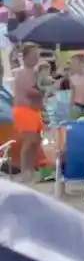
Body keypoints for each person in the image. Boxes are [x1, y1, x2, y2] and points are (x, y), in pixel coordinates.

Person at [12, 44, 46, 183]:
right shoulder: (21, 72)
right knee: (29, 141)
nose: (36, 58)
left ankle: (31, 169)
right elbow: (31, 91)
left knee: (36, 141)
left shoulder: (35, 72)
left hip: (34, 110)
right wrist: (44, 91)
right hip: (24, 110)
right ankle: (24, 170)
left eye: (37, 55)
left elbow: (38, 91)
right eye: (33, 55)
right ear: (25, 57)